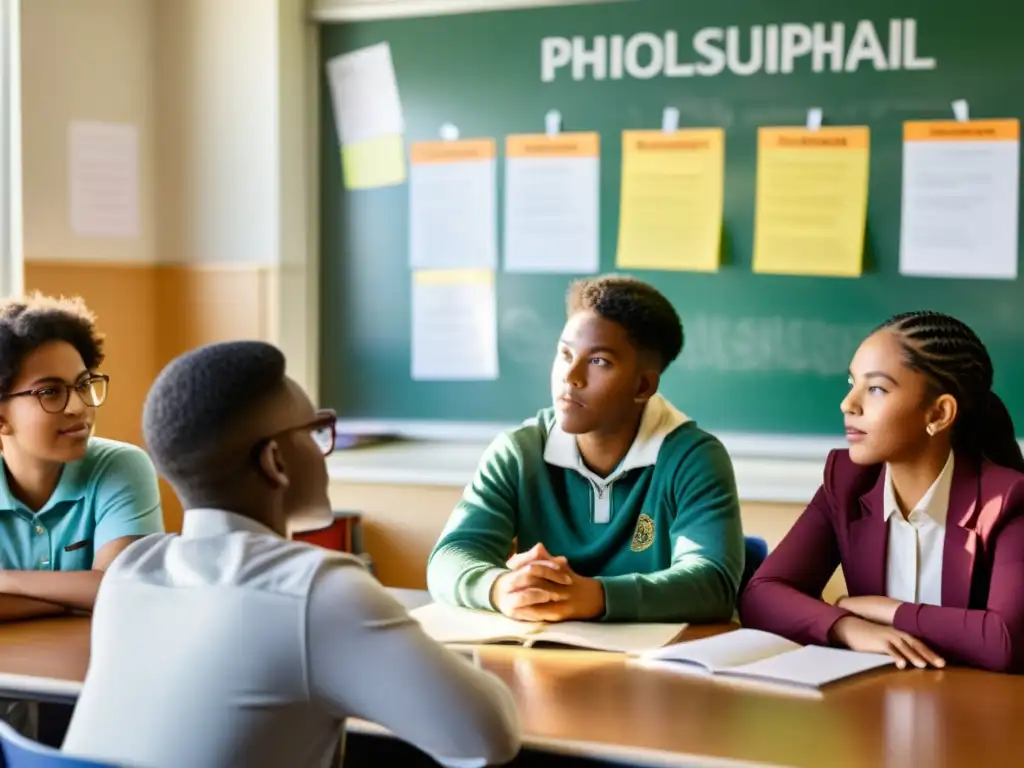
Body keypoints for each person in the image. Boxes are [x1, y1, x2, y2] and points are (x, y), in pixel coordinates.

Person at [63, 341, 520, 768]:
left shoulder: (130, 572)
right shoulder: (315, 590)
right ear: (275, 461)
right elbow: (489, 737)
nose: (326, 451)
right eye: (317, 432)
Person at [427, 275, 744, 624]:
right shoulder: (518, 453)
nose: (571, 376)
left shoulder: (692, 458)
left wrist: (594, 596)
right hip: (544, 658)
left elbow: (713, 583)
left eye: (599, 362)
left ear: (643, 385)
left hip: (653, 667)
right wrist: (500, 587)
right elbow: (449, 557)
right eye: (565, 354)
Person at [740, 311, 1024, 673]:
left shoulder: (1007, 500)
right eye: (852, 382)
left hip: (980, 714)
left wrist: (888, 611)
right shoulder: (845, 481)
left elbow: (1008, 641)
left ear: (938, 414)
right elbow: (762, 594)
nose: (848, 404)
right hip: (876, 702)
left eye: (876, 388)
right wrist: (849, 627)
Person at [0, 293, 162, 617]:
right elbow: (109, 591)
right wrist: (82, 592)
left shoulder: (120, 467)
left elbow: (127, 592)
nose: (79, 407)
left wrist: (6, 581)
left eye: (84, 384)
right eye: (50, 391)